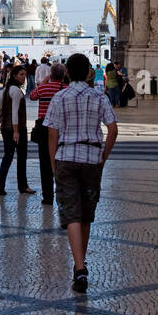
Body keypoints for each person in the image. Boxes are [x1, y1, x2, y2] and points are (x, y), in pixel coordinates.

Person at [44, 52, 118, 293]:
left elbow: (52, 134)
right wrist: (103, 156)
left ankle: (78, 267)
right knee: (86, 214)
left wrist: (54, 164)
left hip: (66, 158)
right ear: (88, 72)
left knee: (72, 215)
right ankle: (81, 264)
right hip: (91, 158)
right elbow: (113, 129)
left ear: (67, 72)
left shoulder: (59, 97)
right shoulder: (99, 97)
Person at [29, 61, 68, 205]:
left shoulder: (44, 88)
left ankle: (48, 196)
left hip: (44, 127)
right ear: (64, 75)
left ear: (51, 74)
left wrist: (43, 82)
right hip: (62, 128)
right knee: (62, 162)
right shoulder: (66, 89)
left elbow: (32, 96)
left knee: (44, 163)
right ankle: (62, 193)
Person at [0, 65, 36, 197]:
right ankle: (23, 186)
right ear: (14, 76)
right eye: (21, 74)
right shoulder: (17, 91)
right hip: (17, 129)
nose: (24, 77)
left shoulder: (5, 90)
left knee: (7, 156)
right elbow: (15, 113)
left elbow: (0, 107)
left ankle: (0, 184)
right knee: (21, 157)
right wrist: (16, 131)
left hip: (5, 127)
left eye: (25, 74)